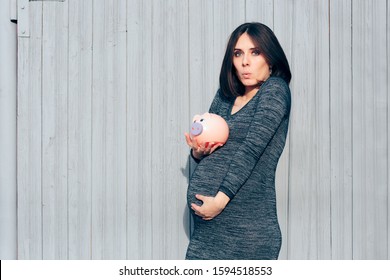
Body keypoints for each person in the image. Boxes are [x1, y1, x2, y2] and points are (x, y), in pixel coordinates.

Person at [184, 22, 292, 260]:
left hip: (246, 232)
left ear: (270, 58)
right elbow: (212, 149)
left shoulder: (274, 90)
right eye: (238, 53)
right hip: (207, 234)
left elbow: (251, 150)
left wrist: (220, 201)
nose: (245, 61)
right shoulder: (225, 95)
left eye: (255, 52)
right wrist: (198, 153)